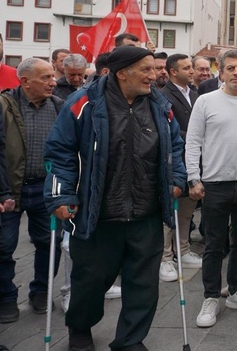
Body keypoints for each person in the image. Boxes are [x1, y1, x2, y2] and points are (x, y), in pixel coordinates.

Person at [43, 46, 186, 350]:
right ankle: (80, 328)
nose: (154, 75)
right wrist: (60, 195)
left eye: (154, 68)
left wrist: (177, 178)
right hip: (98, 214)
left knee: (143, 286)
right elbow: (60, 151)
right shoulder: (84, 103)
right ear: (122, 73)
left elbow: (175, 145)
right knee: (90, 281)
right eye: (146, 69)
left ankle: (130, 340)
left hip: (146, 212)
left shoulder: (160, 105)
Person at [185, 49, 237, 329]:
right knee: (214, 245)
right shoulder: (205, 102)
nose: (236, 73)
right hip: (214, 183)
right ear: (221, 70)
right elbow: (193, 141)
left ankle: (236, 289)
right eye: (231, 68)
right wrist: (193, 177)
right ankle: (211, 297)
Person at [0, 59, 63, 323]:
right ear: (25, 81)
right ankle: (6, 296)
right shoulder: (4, 105)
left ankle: (41, 291)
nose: (53, 82)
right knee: (4, 246)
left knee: (49, 243)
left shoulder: (58, 106)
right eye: (45, 78)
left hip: (45, 188)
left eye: (52, 76)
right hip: (9, 189)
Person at [157, 53, 201, 283]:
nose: (192, 71)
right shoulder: (162, 95)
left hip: (193, 160)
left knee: (186, 210)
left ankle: (182, 250)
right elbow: (165, 128)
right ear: (173, 72)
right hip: (173, 160)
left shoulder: (194, 94)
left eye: (191, 66)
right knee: (168, 212)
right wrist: (195, 136)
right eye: (186, 68)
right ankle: (165, 257)